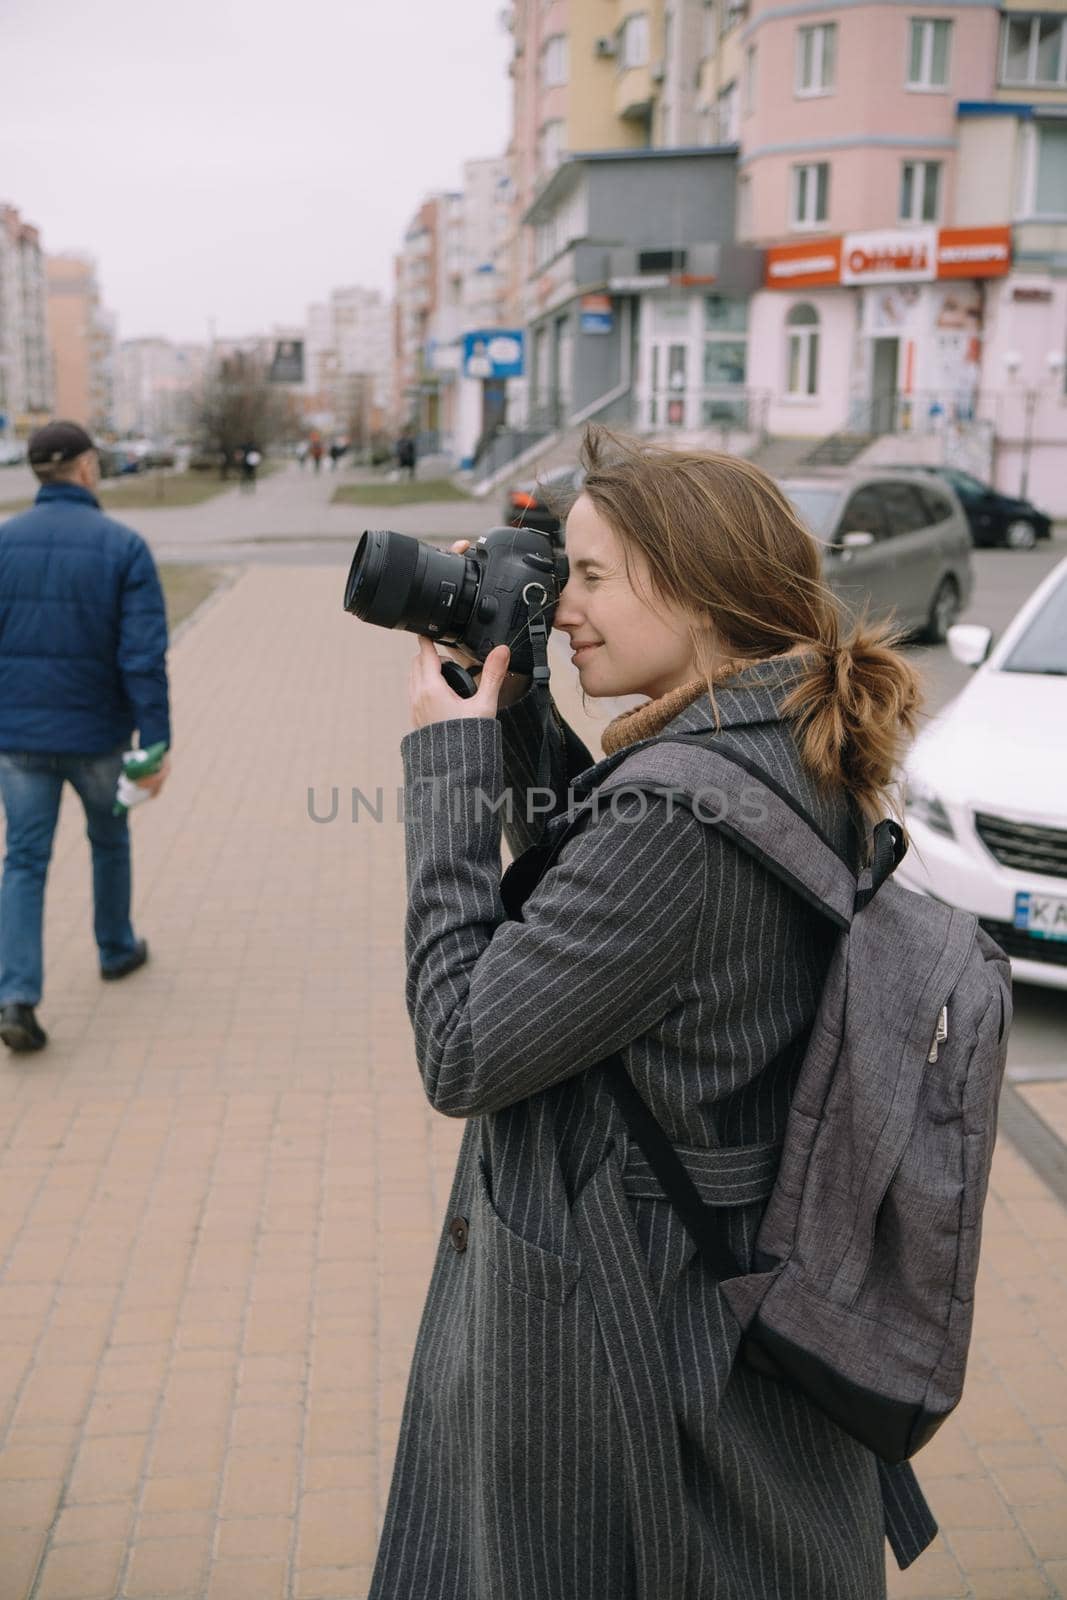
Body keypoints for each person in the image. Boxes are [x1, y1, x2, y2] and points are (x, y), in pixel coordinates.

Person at [368, 427, 933, 1599]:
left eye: (588, 575)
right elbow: (606, 881)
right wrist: (513, 710)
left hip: (629, 1338)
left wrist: (446, 768)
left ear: (699, 586)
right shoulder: (770, 739)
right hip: (707, 1298)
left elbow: (461, 1045)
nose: (563, 606)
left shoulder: (676, 820)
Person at [0, 421, 171, 1054]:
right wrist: (154, 741)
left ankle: (16, 997)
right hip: (99, 733)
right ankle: (116, 947)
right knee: (109, 836)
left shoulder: (3, 542)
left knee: (22, 860)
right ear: (86, 468)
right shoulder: (123, 546)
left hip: (17, 739)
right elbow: (142, 658)